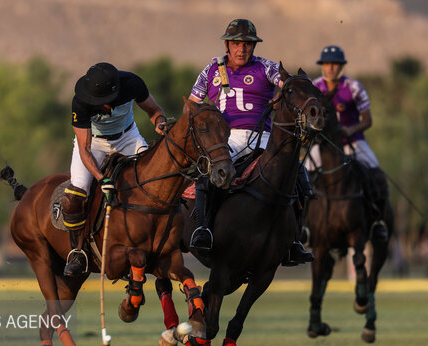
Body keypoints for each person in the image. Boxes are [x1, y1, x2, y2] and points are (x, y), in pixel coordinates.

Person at [187, 18, 314, 265]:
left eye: (247, 44)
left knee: (298, 174)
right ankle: (202, 230)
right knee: (207, 176)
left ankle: (295, 241)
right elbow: (192, 106)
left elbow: (289, 86)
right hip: (227, 140)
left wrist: (284, 96)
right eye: (237, 43)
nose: (242, 49)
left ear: (253, 47)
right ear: (228, 45)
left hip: (265, 139)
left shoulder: (266, 67)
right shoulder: (211, 70)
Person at [62, 62, 167, 277]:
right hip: (95, 145)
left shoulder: (132, 84)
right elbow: (84, 148)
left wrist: (161, 123)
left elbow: (155, 111)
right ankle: (78, 251)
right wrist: (101, 179)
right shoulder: (80, 101)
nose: (103, 106)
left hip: (129, 138)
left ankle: (157, 241)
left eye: (104, 101)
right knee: (77, 193)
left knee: (153, 183)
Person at [309, 45, 388, 241]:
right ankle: (303, 225)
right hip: (325, 146)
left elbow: (367, 120)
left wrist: (349, 130)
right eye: (327, 64)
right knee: (303, 175)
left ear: (341, 66)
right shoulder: (314, 87)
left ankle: (377, 221)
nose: (330, 68)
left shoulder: (354, 87)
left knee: (376, 173)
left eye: (335, 64)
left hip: (352, 142)